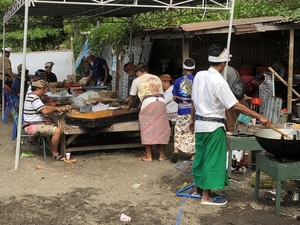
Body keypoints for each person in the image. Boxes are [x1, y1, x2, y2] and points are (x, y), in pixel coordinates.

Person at [189, 44, 271, 205]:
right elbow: (234, 105)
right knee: (213, 159)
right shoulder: (219, 81)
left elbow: (193, 100)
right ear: (224, 63)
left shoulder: (199, 75)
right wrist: (260, 116)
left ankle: (197, 189)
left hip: (200, 124)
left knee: (201, 157)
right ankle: (207, 196)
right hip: (213, 127)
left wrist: (192, 119)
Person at [126, 64, 170, 161]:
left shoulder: (137, 80)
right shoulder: (157, 78)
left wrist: (128, 107)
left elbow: (132, 97)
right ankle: (161, 155)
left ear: (138, 72)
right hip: (161, 102)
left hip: (148, 103)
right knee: (162, 128)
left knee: (147, 128)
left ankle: (148, 156)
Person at [23, 79, 67, 160]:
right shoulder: (34, 98)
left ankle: (50, 147)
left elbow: (43, 107)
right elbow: (45, 111)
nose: (44, 92)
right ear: (38, 89)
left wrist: (56, 108)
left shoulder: (31, 96)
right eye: (43, 90)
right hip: (31, 126)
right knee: (57, 131)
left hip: (32, 122)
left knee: (52, 125)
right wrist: (55, 109)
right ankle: (55, 153)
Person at [170, 58, 195, 163]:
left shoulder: (178, 81)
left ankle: (176, 150)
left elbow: (174, 97)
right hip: (193, 111)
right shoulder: (197, 80)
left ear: (184, 68)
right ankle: (193, 155)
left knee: (179, 130)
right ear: (193, 69)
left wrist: (181, 103)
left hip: (181, 111)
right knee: (192, 131)